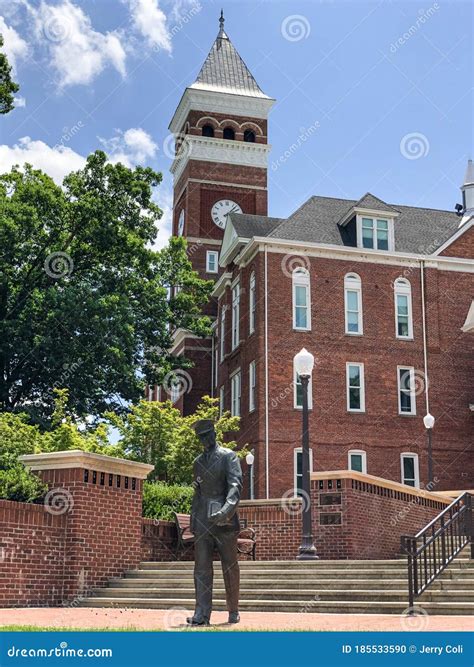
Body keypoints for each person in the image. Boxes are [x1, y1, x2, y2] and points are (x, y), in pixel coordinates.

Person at [186, 419, 242, 626]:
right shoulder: (198, 462)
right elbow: (197, 493)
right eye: (201, 436)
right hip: (203, 521)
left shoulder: (228, 456)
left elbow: (235, 487)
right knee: (201, 568)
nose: (205, 439)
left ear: (214, 433)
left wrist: (226, 511)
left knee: (230, 566)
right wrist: (193, 519)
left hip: (224, 522)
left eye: (208, 434)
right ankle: (201, 614)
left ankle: (233, 610)